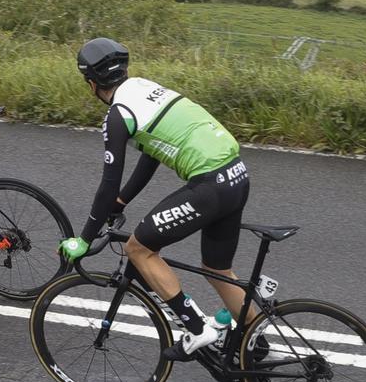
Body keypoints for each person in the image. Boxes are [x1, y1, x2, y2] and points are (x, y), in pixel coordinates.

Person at [69, 38, 251, 357]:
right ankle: (258, 343)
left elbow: (108, 182)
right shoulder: (143, 87)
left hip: (211, 184)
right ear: (124, 70)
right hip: (237, 174)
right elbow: (151, 154)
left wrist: (84, 239)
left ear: (90, 84)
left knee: (138, 248)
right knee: (217, 268)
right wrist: (122, 202)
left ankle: (197, 329)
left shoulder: (118, 113)